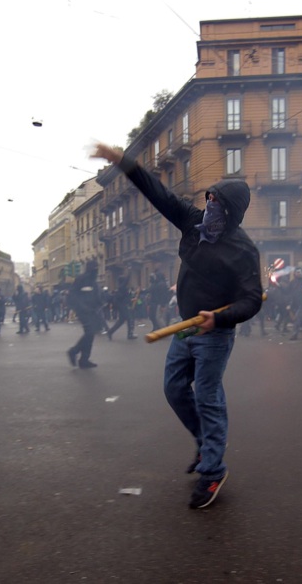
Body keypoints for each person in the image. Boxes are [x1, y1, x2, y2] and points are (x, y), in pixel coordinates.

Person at [92, 143, 262, 510]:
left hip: (214, 333)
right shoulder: (192, 221)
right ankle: (206, 444)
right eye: (209, 198)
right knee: (173, 389)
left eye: (217, 203)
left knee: (207, 396)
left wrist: (219, 318)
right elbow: (158, 192)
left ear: (231, 212)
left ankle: (213, 470)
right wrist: (122, 161)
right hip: (185, 326)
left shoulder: (243, 249)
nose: (209, 206)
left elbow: (252, 300)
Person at [67, 260, 104, 368]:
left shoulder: (93, 281)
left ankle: (84, 359)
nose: (96, 271)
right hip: (83, 311)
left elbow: (96, 295)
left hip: (92, 310)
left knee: (90, 334)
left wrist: (100, 303)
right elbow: (73, 294)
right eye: (95, 269)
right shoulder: (81, 279)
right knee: (90, 332)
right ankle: (74, 351)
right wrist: (81, 307)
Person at [105, 271, 137, 340]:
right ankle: (130, 334)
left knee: (121, 321)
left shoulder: (121, 287)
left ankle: (110, 332)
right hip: (122, 306)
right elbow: (126, 280)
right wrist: (130, 271)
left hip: (121, 305)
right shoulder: (122, 287)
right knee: (129, 318)